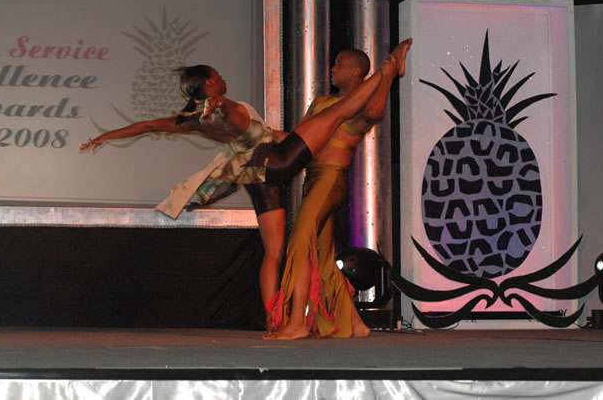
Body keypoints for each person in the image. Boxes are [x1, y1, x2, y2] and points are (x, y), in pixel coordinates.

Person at [80, 51, 402, 327]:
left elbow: (149, 125)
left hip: (257, 179)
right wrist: (217, 103)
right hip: (275, 162)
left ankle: (272, 318)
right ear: (209, 84)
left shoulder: (193, 120)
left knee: (272, 253)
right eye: (217, 76)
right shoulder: (225, 107)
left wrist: (107, 135)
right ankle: (385, 71)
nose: (221, 78)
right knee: (337, 112)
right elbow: (226, 108)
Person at [264, 38, 412, 340]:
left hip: (331, 179)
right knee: (321, 255)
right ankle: (356, 324)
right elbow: (296, 138)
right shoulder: (320, 102)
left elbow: (374, 112)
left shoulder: (362, 105)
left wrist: (388, 73)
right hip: (313, 179)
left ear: (357, 70)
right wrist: (254, 133)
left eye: (339, 64)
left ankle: (297, 323)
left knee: (300, 243)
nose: (332, 69)